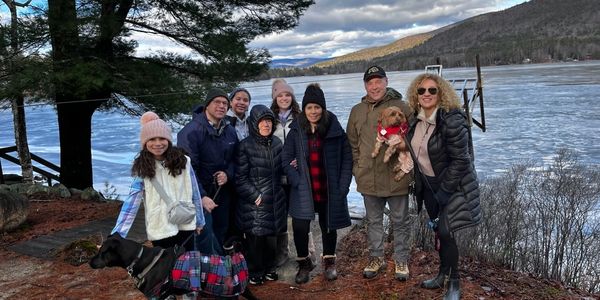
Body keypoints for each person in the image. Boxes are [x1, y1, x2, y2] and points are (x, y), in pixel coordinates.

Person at [406, 73, 482, 300]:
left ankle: (454, 282)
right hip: (429, 186)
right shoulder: (415, 120)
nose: (426, 94)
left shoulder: (452, 119)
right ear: (416, 95)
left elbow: (462, 160)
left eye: (432, 90)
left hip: (454, 186)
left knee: (447, 233)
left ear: (441, 94)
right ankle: (442, 273)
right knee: (438, 231)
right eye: (421, 91)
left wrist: (445, 191)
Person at [346, 65, 413, 281]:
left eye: (378, 81)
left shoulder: (402, 106)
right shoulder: (357, 111)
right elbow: (352, 144)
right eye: (370, 82)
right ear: (365, 85)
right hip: (368, 178)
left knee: (401, 220)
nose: (374, 86)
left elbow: (415, 139)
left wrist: (407, 163)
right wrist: (357, 168)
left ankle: (401, 259)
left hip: (395, 178)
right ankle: (376, 258)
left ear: (386, 81)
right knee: (373, 222)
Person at [282, 83, 353, 284]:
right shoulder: (296, 129)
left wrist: (343, 186)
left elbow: (347, 158)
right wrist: (296, 180)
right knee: (300, 227)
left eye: (317, 107)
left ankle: (329, 261)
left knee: (328, 226)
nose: (313, 111)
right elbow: (286, 159)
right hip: (303, 188)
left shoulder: (333, 127)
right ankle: (304, 263)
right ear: (304, 109)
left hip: (328, 187)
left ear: (323, 108)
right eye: (309, 107)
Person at [112, 112, 204, 251]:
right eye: (152, 139)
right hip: (160, 227)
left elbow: (194, 191)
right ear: (145, 143)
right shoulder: (142, 169)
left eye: (162, 138)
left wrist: (200, 220)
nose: (157, 143)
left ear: (168, 140)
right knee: (164, 267)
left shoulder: (184, 161)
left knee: (185, 265)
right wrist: (117, 234)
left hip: (185, 221)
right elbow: (132, 202)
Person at [177, 88, 238, 248]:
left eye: (225, 103)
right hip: (199, 195)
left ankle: (219, 268)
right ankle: (205, 269)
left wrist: (227, 174)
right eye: (217, 102)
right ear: (207, 106)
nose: (221, 106)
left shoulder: (230, 131)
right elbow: (186, 170)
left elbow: (236, 160)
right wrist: (201, 197)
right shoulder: (190, 132)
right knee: (203, 236)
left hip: (222, 192)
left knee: (221, 231)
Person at [235, 104, 287, 285]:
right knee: (256, 240)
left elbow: (283, 170)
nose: (266, 125)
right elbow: (239, 178)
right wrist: (254, 196)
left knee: (272, 239)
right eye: (263, 121)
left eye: (269, 121)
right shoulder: (245, 146)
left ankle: (270, 268)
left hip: (275, 199)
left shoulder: (278, 144)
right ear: (255, 124)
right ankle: (255, 270)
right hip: (255, 202)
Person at [269, 78, 308, 266]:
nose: (284, 98)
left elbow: (308, 144)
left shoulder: (301, 117)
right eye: (280, 95)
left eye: (287, 95)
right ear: (275, 99)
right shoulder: (269, 119)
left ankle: (308, 254)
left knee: (302, 214)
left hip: (297, 174)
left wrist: (299, 159)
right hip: (277, 176)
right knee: (280, 216)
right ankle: (281, 253)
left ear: (292, 97)